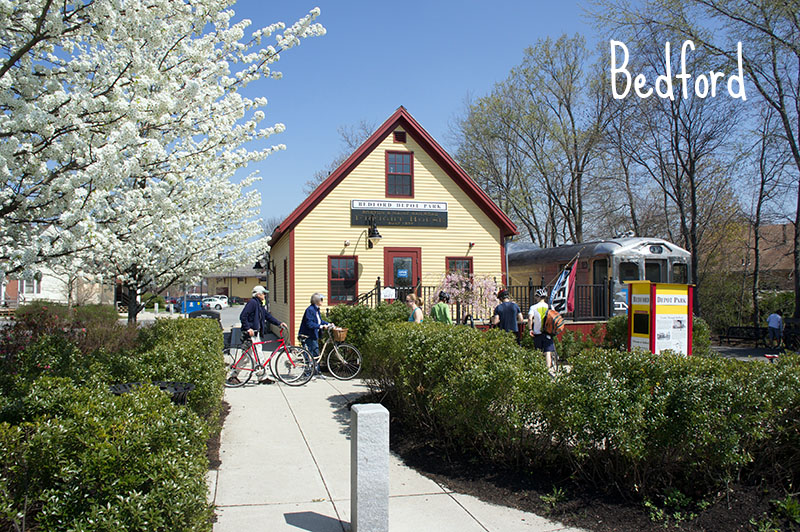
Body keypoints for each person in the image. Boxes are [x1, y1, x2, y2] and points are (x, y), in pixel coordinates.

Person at [229, 285, 287, 385]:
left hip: (256, 334)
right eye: (264, 293)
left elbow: (267, 316)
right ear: (258, 294)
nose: (265, 295)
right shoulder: (252, 303)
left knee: (252, 356)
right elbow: (243, 316)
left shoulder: (259, 304)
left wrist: (279, 323)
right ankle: (237, 375)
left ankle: (259, 376)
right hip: (251, 335)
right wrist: (248, 328)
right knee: (253, 356)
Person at [299, 293, 333, 375]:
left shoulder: (316, 310)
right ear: (317, 301)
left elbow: (319, 321)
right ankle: (308, 373)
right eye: (321, 300)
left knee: (315, 353)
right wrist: (321, 326)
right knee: (310, 354)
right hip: (308, 335)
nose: (322, 301)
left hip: (314, 335)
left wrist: (328, 324)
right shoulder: (310, 310)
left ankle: (316, 371)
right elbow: (309, 324)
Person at [529, 287, 557, 371]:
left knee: (538, 352)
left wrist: (530, 329)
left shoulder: (533, 307)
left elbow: (530, 318)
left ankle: (538, 370)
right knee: (547, 352)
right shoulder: (550, 307)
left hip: (537, 333)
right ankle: (547, 370)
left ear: (537, 297)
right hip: (548, 332)